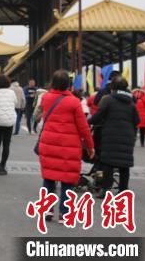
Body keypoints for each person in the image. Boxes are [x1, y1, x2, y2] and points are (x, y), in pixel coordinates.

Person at [37, 70, 94, 222]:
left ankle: (47, 211)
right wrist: (90, 146)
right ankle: (64, 213)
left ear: (53, 83)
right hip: (69, 146)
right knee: (67, 181)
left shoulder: (46, 98)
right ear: (68, 84)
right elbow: (83, 128)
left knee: (49, 178)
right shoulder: (74, 102)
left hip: (48, 143)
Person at [88, 76, 140, 196]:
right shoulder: (131, 103)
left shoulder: (108, 100)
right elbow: (137, 120)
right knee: (124, 165)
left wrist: (87, 123)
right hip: (127, 137)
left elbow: (98, 115)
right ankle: (123, 190)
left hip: (110, 137)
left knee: (107, 164)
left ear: (113, 88)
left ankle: (105, 190)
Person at [0, 74, 17, 175]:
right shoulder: (12, 92)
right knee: (6, 144)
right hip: (9, 120)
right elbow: (15, 103)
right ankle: (3, 166)